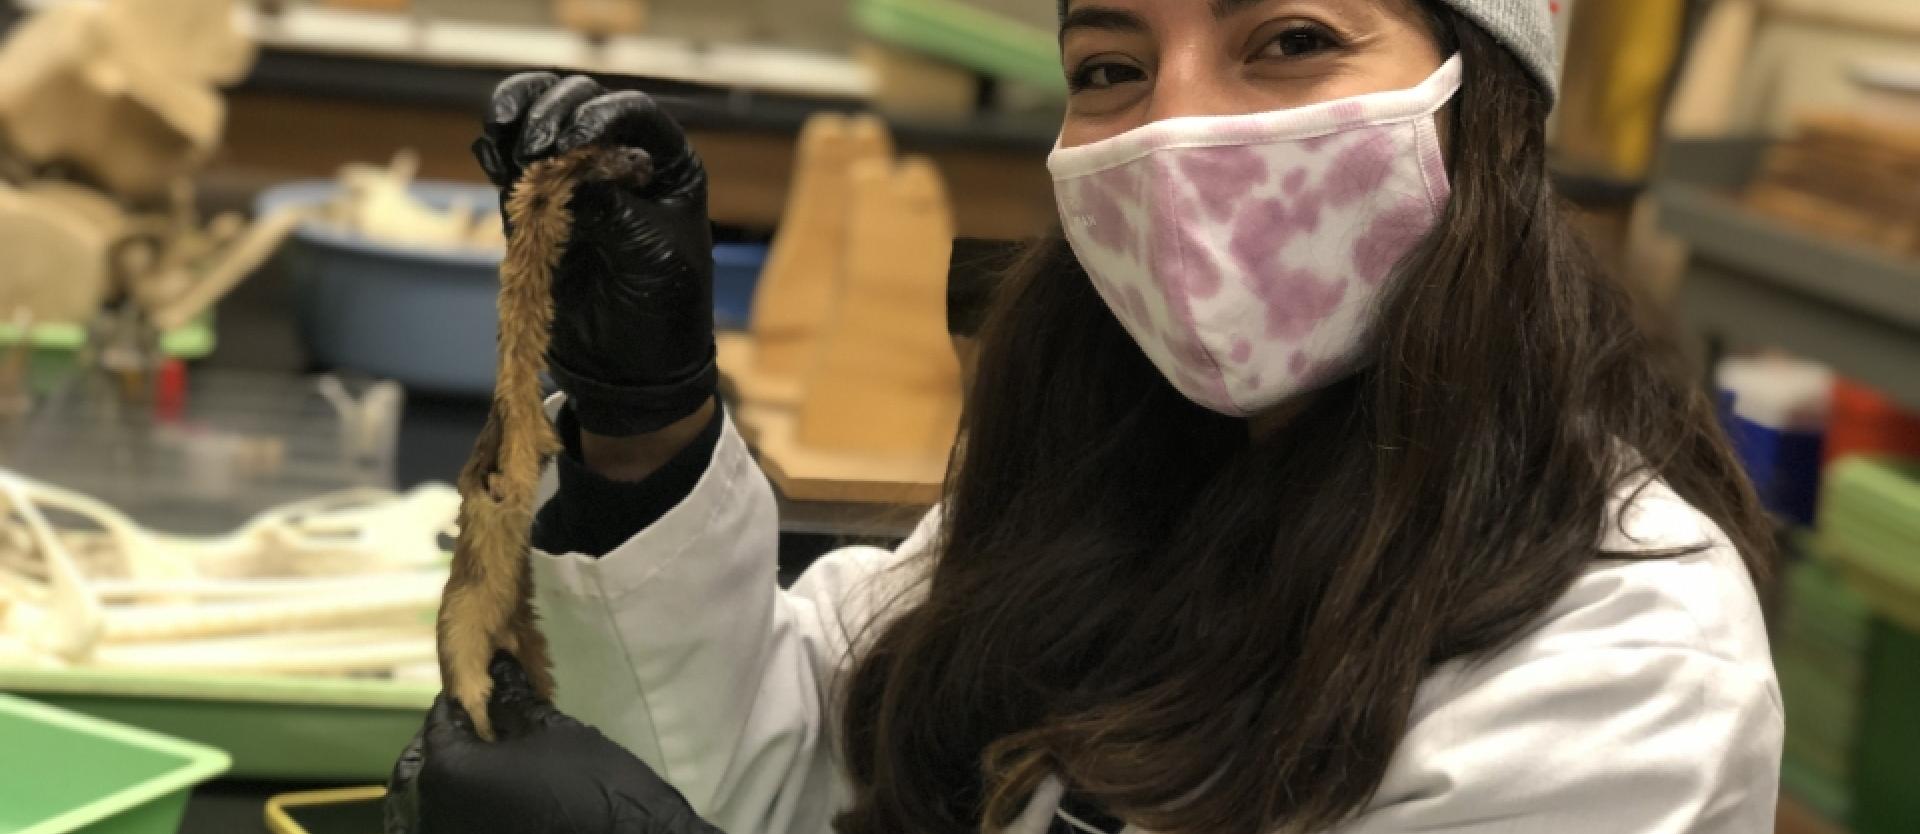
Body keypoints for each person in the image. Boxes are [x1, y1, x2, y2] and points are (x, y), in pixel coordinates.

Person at [387, 1, 1785, 832]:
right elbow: (793, 754)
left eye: (1288, 39)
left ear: (1488, 110)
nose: (1177, 138)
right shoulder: (1111, 470)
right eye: (1110, 64)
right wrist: (651, 433)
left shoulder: (1625, 663)